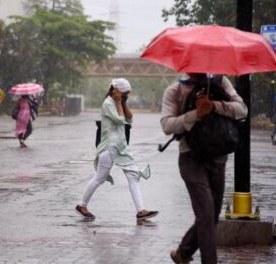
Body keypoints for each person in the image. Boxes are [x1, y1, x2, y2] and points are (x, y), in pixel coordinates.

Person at [160, 73, 247, 264]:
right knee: (206, 214)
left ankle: (183, 253)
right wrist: (195, 114)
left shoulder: (221, 82)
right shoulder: (175, 90)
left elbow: (242, 110)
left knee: (211, 215)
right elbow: (167, 125)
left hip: (217, 156)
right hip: (190, 158)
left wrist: (215, 106)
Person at [75, 78, 158, 221]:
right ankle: (82, 205)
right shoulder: (108, 103)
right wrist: (119, 102)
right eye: (125, 93)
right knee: (99, 179)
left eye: (128, 94)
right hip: (110, 148)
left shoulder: (119, 103)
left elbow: (129, 119)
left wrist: (123, 102)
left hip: (120, 147)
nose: (126, 96)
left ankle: (141, 211)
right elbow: (120, 120)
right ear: (116, 90)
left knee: (133, 176)